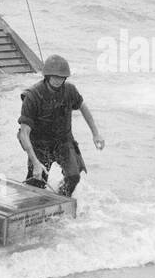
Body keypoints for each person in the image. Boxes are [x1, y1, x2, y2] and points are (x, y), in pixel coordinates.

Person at [17, 54, 104, 196]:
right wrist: (35, 162)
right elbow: (24, 133)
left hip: (63, 141)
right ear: (47, 76)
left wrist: (96, 134)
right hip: (39, 145)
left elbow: (83, 107)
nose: (58, 80)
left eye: (62, 77)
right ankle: (33, 201)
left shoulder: (70, 90)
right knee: (37, 182)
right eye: (55, 77)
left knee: (73, 177)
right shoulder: (33, 96)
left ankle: (61, 199)